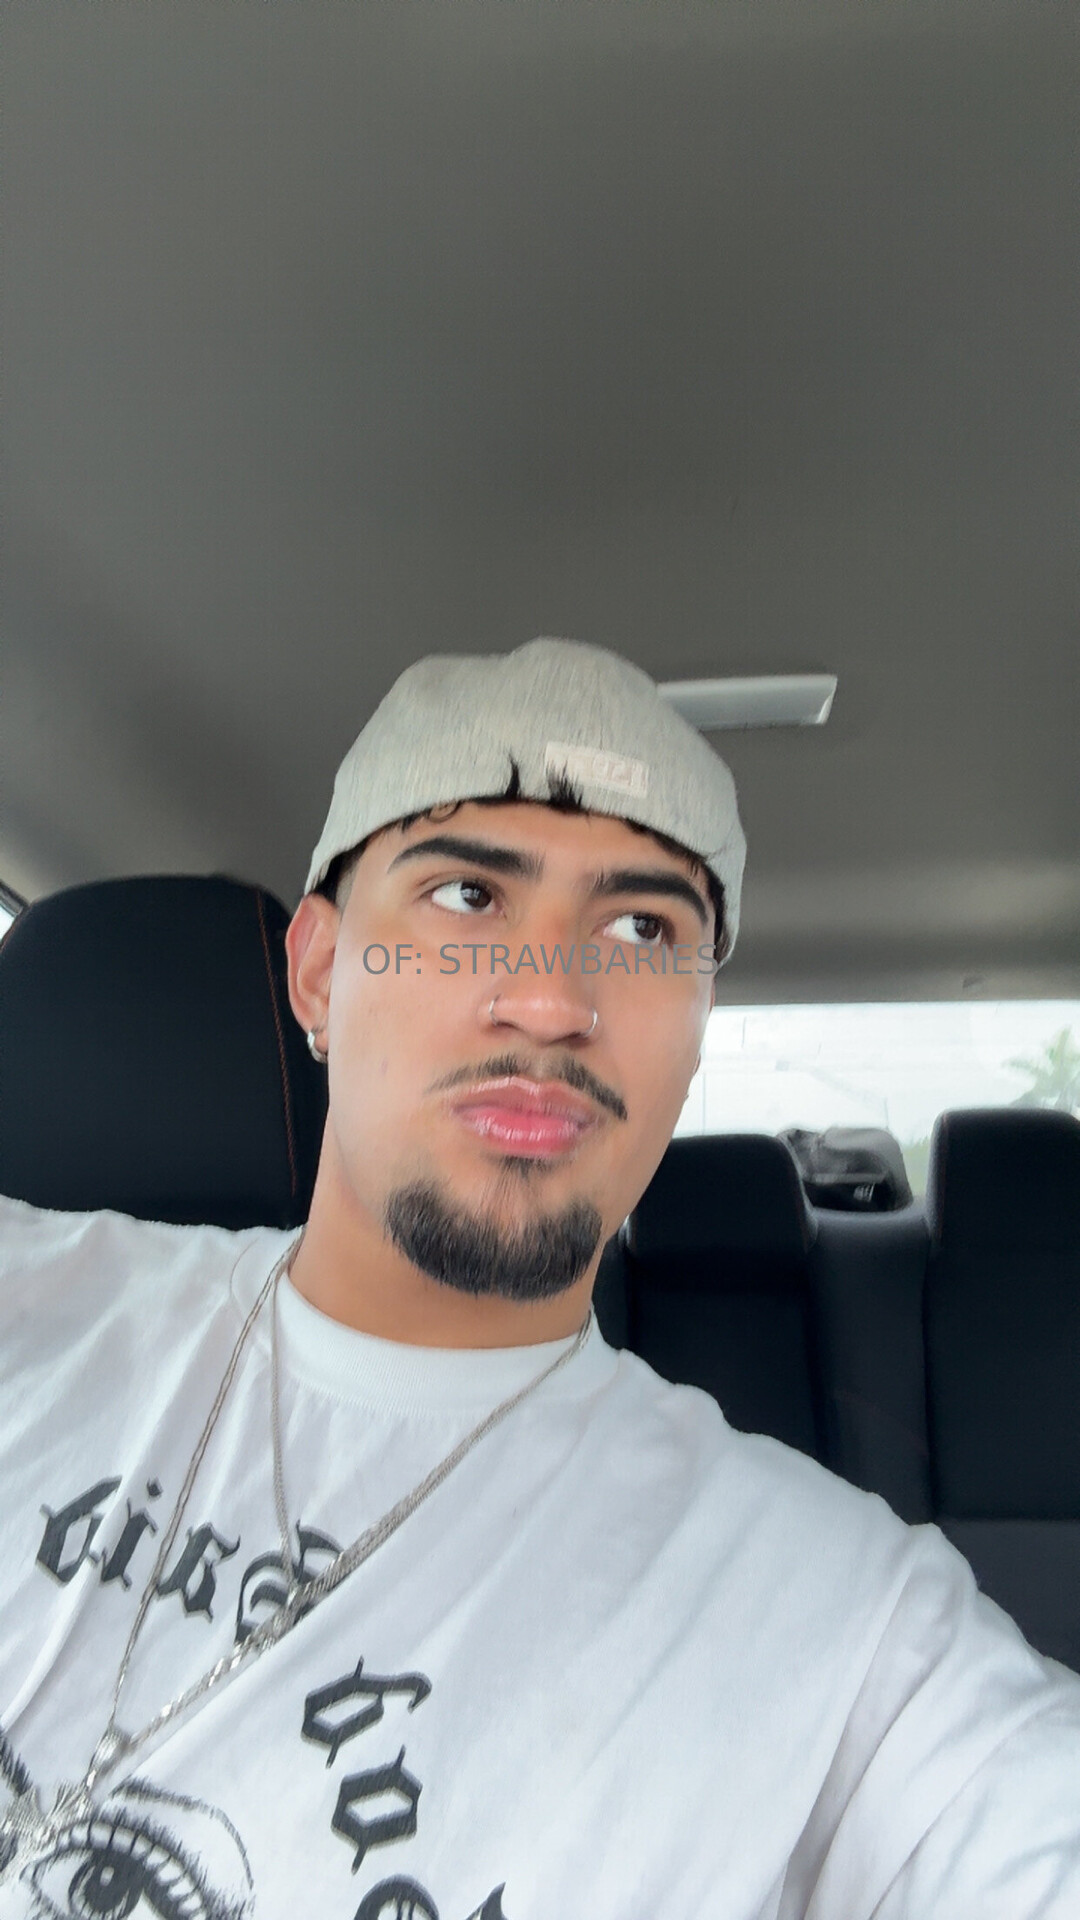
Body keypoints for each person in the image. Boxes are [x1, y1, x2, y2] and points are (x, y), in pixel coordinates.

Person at [0, 637, 1077, 1920]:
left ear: (696, 1033)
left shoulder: (847, 1632)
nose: (554, 1000)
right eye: (467, 896)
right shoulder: (33, 1305)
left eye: (642, 927)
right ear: (318, 973)